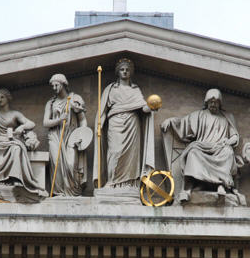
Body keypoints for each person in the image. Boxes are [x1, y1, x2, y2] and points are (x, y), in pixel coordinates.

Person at [161, 89, 239, 202]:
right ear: (206, 102)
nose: (213, 104)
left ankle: (221, 186)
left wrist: (228, 142)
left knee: (228, 152)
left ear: (220, 103)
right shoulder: (199, 115)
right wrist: (171, 121)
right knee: (193, 153)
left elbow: (235, 136)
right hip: (202, 147)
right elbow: (184, 123)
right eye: (211, 102)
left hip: (220, 148)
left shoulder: (227, 117)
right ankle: (187, 190)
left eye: (216, 102)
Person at [93, 58, 155, 192]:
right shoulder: (110, 89)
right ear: (118, 72)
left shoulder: (135, 90)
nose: (125, 72)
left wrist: (152, 106)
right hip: (115, 124)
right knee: (115, 152)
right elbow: (102, 111)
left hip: (132, 124)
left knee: (130, 156)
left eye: (127, 69)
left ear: (131, 72)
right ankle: (111, 181)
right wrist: (99, 125)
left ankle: (129, 184)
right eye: (122, 69)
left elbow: (143, 108)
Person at [0, 88, 46, 196]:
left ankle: (15, 178)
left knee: (16, 148)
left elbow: (31, 123)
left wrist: (22, 127)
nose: (0, 100)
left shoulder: (15, 114)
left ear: (8, 98)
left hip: (11, 140)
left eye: (2, 97)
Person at [43, 74, 88, 196]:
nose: (54, 88)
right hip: (55, 136)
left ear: (63, 84)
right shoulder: (50, 103)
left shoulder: (74, 99)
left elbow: (82, 120)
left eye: (56, 85)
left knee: (70, 163)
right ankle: (58, 193)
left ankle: (72, 192)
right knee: (56, 165)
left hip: (71, 136)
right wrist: (58, 120)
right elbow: (45, 122)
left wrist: (82, 135)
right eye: (52, 86)